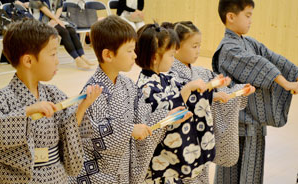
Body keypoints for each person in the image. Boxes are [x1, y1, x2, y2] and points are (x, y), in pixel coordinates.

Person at [68, 15, 192, 184]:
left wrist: (167, 117)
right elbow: (93, 135)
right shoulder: (94, 91)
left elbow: (143, 116)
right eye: (129, 51)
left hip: (122, 171)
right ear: (108, 55)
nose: (135, 56)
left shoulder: (127, 84)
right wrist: (129, 130)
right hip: (97, 175)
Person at [0, 19, 102, 183]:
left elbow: (68, 130)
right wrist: (28, 111)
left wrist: (82, 107)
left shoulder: (54, 94)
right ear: (28, 60)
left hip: (56, 176)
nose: (57, 61)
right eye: (53, 54)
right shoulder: (2, 98)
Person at [212, 0, 298, 184]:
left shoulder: (249, 42)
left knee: (251, 172)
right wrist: (284, 83)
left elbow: (273, 57)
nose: (251, 20)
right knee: (231, 172)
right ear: (231, 17)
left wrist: (295, 74)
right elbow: (258, 64)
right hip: (237, 122)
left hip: (253, 121)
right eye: (247, 15)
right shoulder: (229, 47)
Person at [135, 24, 234, 183]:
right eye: (171, 55)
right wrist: (188, 90)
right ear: (155, 57)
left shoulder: (164, 78)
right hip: (159, 163)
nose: (173, 59)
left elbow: (188, 95)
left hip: (169, 166)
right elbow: (165, 113)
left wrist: (212, 89)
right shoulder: (146, 87)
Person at [161, 21, 255, 183]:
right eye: (194, 46)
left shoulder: (201, 72)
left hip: (199, 136)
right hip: (179, 140)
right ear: (177, 47)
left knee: (200, 174)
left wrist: (238, 91)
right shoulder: (168, 74)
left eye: (199, 46)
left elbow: (221, 92)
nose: (198, 51)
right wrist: (211, 96)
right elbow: (174, 103)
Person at [30, 0, 94, 70]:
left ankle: (82, 56)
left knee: (71, 30)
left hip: (56, 17)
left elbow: (60, 6)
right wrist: (55, 19)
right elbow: (41, 6)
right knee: (63, 31)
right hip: (43, 19)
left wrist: (56, 19)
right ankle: (77, 59)